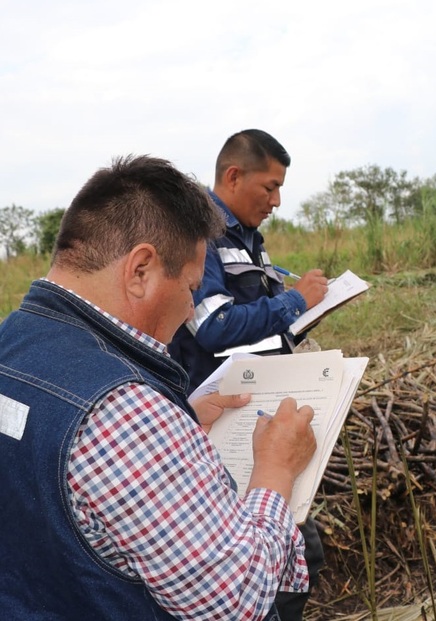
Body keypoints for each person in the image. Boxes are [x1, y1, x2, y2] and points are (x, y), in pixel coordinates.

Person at [0, 155, 319, 620]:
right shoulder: (126, 415)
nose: (191, 309)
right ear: (141, 270)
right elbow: (237, 602)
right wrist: (275, 470)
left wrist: (178, 416)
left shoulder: (12, 338)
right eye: (191, 287)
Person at [168, 129, 328, 619]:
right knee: (273, 549)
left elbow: (255, 329)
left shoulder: (250, 242)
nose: (278, 201)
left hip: (258, 402)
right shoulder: (204, 237)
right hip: (219, 418)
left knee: (303, 549)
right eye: (269, 187)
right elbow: (214, 328)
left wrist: (301, 318)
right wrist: (295, 300)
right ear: (233, 176)